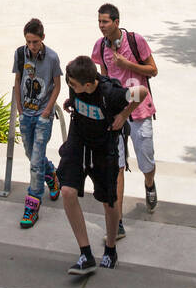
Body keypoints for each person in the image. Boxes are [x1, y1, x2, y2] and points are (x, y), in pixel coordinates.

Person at [56, 55, 141, 274]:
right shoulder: (75, 82)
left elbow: (142, 93)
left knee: (109, 202)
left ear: (87, 84)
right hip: (79, 141)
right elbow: (76, 97)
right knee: (67, 191)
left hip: (104, 148)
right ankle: (85, 253)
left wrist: (123, 115)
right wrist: (72, 101)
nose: (70, 87)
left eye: (74, 86)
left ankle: (110, 249)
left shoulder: (112, 94)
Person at [93, 3, 158, 236]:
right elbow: (103, 80)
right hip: (116, 115)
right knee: (116, 167)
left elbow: (153, 70)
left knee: (146, 163)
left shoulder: (135, 41)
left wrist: (127, 64)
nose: (101, 26)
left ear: (116, 22)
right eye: (99, 21)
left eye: (105, 22)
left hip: (139, 110)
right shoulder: (100, 47)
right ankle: (118, 222)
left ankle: (149, 183)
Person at [12, 18, 62, 229]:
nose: (31, 46)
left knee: (34, 162)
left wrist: (48, 111)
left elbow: (57, 86)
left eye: (35, 42)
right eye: (28, 42)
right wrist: (20, 110)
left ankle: (32, 203)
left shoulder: (51, 57)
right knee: (31, 155)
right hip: (26, 113)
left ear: (43, 38)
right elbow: (17, 81)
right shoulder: (20, 53)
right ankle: (51, 174)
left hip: (43, 115)